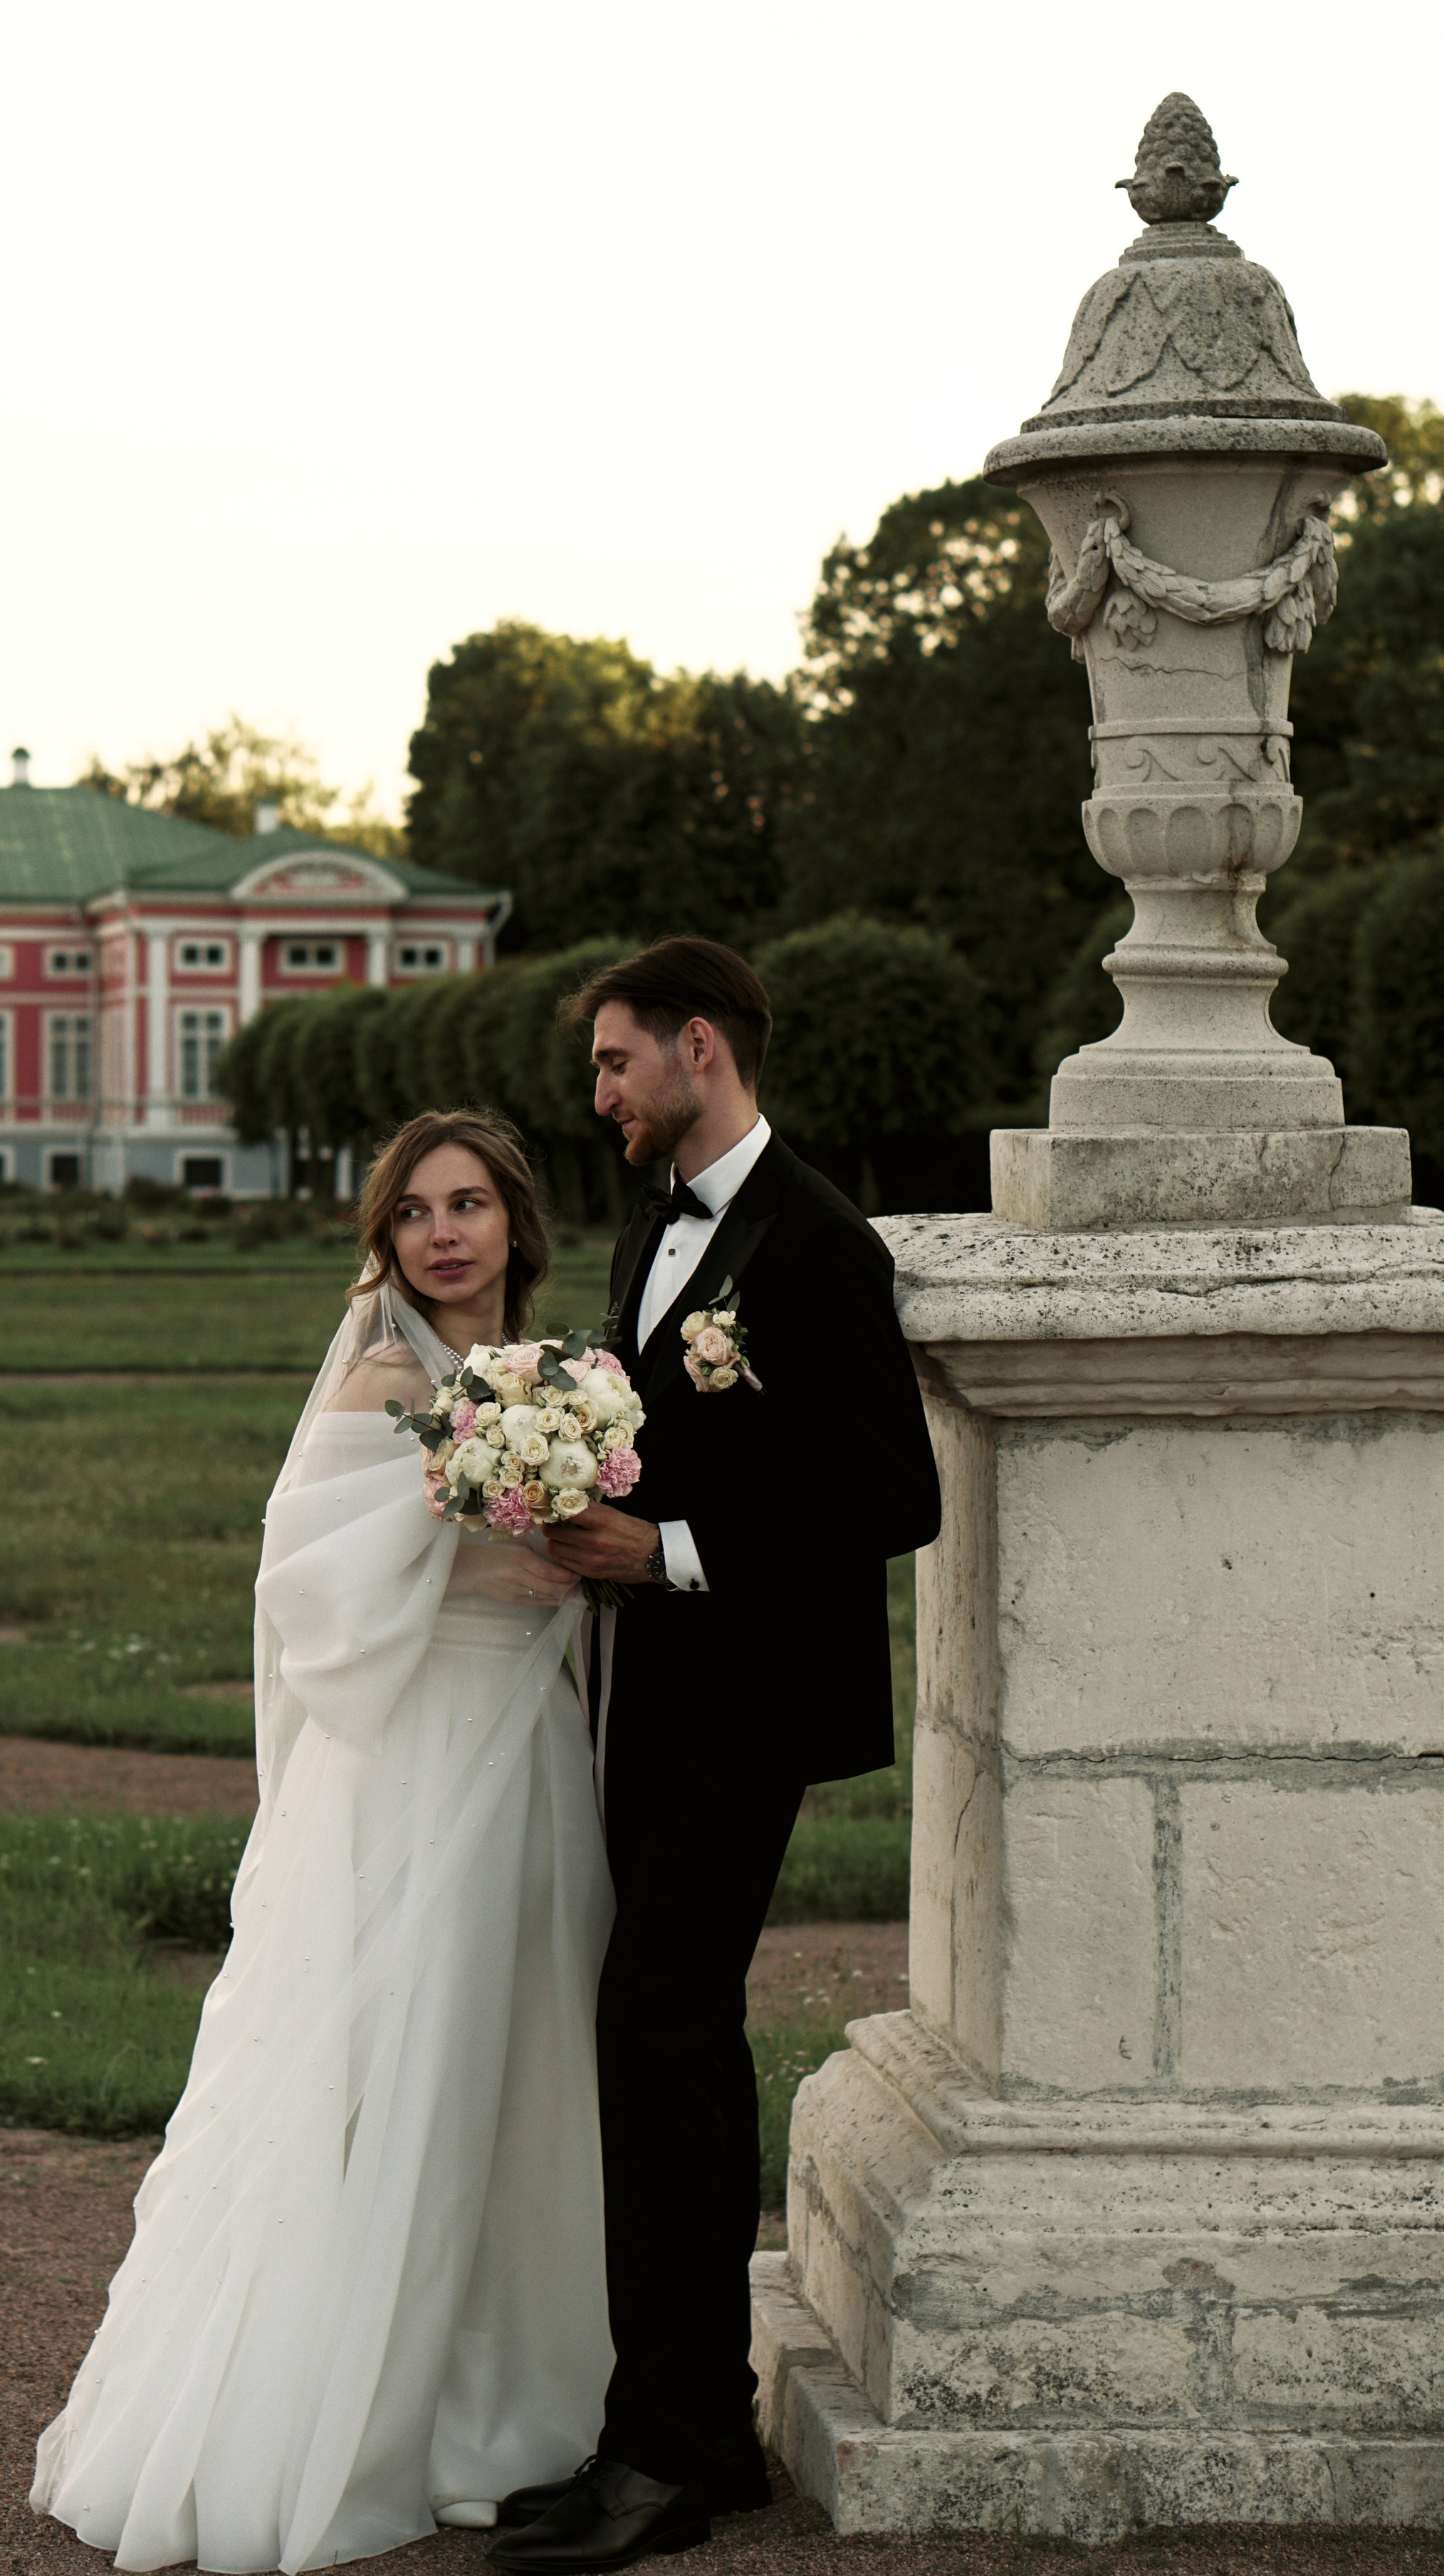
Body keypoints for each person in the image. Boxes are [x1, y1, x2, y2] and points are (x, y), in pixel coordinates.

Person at [31, 1112, 614, 2574]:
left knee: (522, 2055)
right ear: (386, 1237)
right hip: (417, 1763)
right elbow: (311, 1590)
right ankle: (371, 2411)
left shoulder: (543, 1380)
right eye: (414, 1210)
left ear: (510, 1226)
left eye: (468, 1204)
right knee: (408, 2053)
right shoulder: (378, 1372)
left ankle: (507, 2403)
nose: (442, 1233)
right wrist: (496, 1558)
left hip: (525, 1753)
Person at [487, 938, 941, 2574]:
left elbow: (896, 1497)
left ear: (698, 1048)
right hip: (647, 1698)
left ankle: (671, 2455)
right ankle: (669, 2432)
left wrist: (665, 1550)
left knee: (661, 2033)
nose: (598, 1092)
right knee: (650, 2038)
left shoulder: (814, 1243)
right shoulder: (651, 1219)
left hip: (739, 1703)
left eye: (616, 1063)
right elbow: (654, 1425)